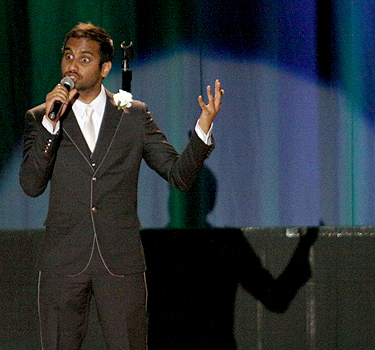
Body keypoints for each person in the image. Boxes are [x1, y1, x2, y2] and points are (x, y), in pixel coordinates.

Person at [19, 22, 224, 349]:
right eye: (68, 56)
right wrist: (50, 125)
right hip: (63, 261)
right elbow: (31, 184)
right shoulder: (41, 117)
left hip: (120, 260)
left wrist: (202, 130)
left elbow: (178, 175)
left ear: (105, 68)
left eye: (84, 59)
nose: (73, 65)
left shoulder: (133, 115)